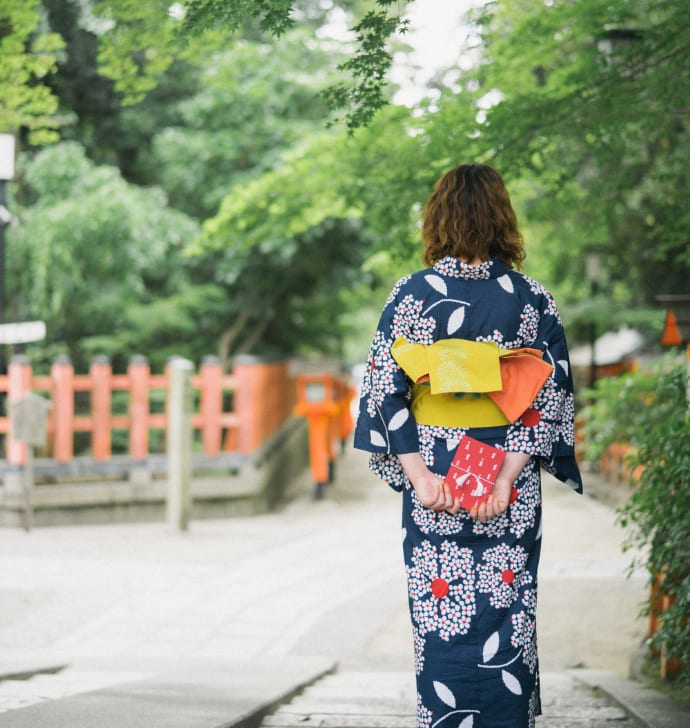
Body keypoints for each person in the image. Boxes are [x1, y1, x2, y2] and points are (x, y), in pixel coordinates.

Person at [353, 163, 582, 728]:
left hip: (435, 474)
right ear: (503, 219)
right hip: (510, 475)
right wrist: (504, 478)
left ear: (438, 219)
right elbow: (549, 398)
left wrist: (420, 477)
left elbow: (387, 390)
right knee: (511, 615)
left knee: (441, 616)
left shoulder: (412, 293)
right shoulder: (532, 299)